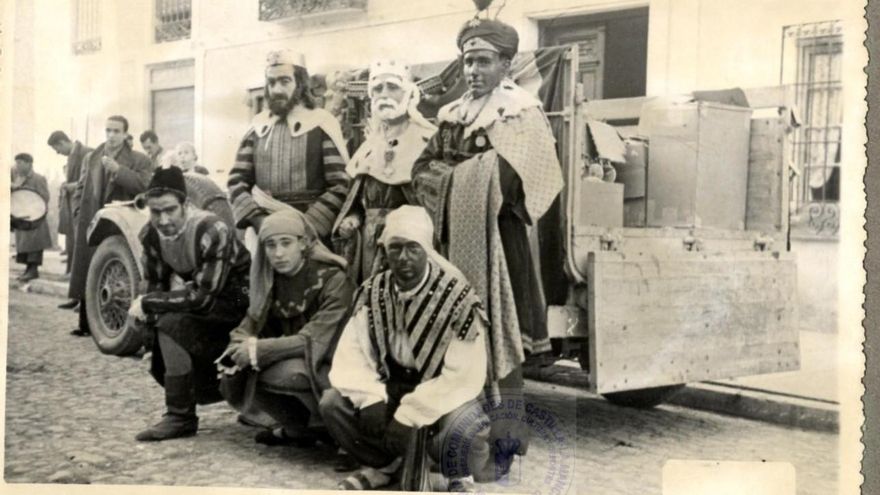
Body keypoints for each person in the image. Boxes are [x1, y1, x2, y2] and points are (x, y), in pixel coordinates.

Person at [410, 17, 564, 468]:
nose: (473, 70)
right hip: (451, 240)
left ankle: (504, 448)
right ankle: (458, 440)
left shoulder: (520, 112)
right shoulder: (453, 114)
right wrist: (463, 177)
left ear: (505, 63)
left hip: (501, 242)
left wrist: (454, 176)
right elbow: (421, 170)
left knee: (501, 339)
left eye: (483, 61)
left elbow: (515, 181)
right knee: (456, 338)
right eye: (467, 61)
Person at [320, 205, 490, 492]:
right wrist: (370, 398)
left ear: (428, 249)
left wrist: (410, 414)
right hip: (392, 388)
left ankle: (456, 475)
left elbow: (462, 376)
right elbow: (353, 353)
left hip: (444, 392)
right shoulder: (373, 292)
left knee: (466, 424)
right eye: (395, 248)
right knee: (332, 403)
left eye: (413, 248)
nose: (404, 258)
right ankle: (383, 467)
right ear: (384, 251)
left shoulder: (458, 298)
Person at [128, 167, 251, 441]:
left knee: (171, 321)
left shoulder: (212, 228)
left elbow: (202, 297)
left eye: (170, 209)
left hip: (241, 297)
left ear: (185, 204)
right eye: (155, 211)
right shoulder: (150, 235)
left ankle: (183, 415)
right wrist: (150, 342)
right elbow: (155, 283)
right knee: (164, 324)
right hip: (203, 295)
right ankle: (180, 416)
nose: (163, 219)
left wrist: (148, 303)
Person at [218, 208, 354, 448]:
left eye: (286, 243)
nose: (278, 253)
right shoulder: (268, 280)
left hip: (329, 362)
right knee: (239, 368)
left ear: (303, 244)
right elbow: (249, 322)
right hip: (292, 354)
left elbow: (312, 339)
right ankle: (299, 429)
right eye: (270, 245)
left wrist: (257, 350)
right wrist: (238, 344)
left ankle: (334, 430)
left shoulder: (334, 280)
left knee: (280, 371)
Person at [227, 50, 351, 240]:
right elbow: (237, 181)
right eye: (271, 82)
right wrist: (259, 221)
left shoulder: (321, 123)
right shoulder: (258, 126)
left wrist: (306, 228)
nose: (276, 89)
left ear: (300, 84)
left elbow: (341, 184)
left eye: (285, 81)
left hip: (309, 233)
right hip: (264, 231)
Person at [332, 59, 436, 282]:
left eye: (392, 86)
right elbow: (359, 201)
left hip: (409, 248)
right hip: (370, 249)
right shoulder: (369, 145)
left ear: (408, 92)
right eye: (377, 88)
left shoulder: (429, 141)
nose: (384, 94)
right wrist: (353, 218)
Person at [68, 115, 154, 337]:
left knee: (119, 273)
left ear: (126, 134)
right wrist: (79, 213)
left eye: (116, 131)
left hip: (121, 226)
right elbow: (80, 187)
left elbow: (145, 185)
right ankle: (86, 323)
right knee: (90, 268)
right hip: (92, 220)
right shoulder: (92, 157)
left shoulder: (139, 159)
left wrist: (118, 170)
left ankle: (118, 326)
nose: (111, 136)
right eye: (108, 131)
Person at [47, 131, 92, 303]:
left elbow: (91, 180)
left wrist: (71, 186)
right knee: (72, 244)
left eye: (57, 148)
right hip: (74, 207)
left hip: (85, 207)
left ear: (62, 142)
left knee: (82, 248)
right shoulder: (73, 155)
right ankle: (75, 294)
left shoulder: (87, 153)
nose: (57, 152)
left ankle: (81, 299)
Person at [10, 153, 53, 283]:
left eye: (20, 163)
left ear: (29, 164)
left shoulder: (38, 178)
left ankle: (33, 271)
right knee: (24, 246)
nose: (17, 166)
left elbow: (45, 197)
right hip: (22, 217)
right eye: (16, 163)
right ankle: (28, 270)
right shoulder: (16, 178)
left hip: (35, 218)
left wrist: (30, 197)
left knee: (34, 245)